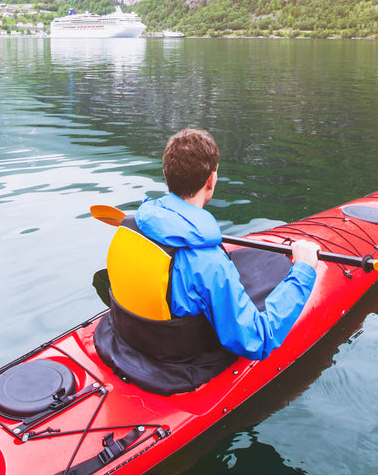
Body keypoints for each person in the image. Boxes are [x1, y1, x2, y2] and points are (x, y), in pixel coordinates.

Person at [94, 128, 320, 395]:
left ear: (167, 175)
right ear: (211, 181)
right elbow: (256, 340)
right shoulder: (207, 262)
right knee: (271, 273)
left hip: (120, 338)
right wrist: (304, 270)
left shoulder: (129, 225)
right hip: (176, 366)